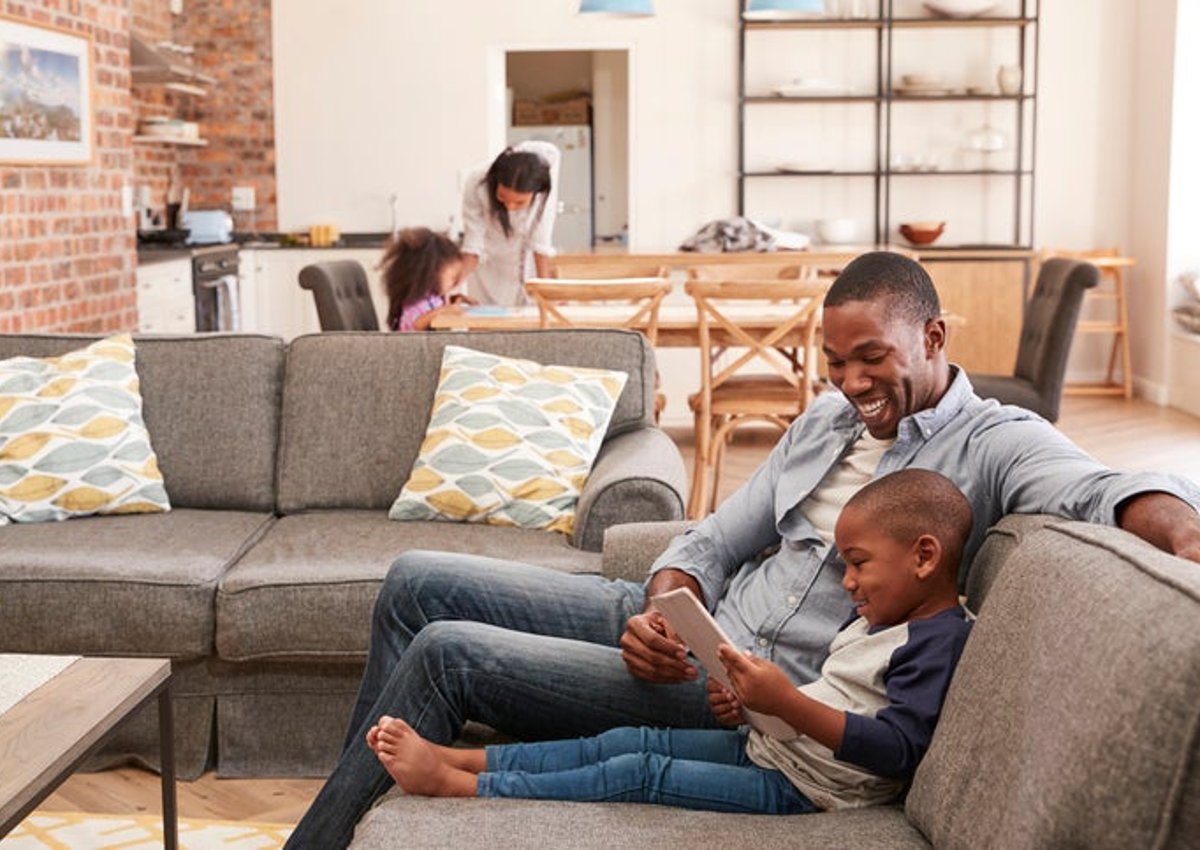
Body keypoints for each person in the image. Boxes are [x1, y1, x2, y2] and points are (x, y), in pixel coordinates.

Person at [285, 251, 1200, 849]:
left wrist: (1188, 535)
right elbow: (718, 536)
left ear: (933, 336)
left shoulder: (990, 442)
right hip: (678, 628)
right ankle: (365, 808)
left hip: (743, 690)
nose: (851, 384)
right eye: (836, 364)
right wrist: (665, 593)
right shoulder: (825, 422)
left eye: (870, 359)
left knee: (448, 652)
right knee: (413, 581)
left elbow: (1101, 490)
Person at [366, 469, 974, 814]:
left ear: (924, 556)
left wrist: (787, 703)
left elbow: (897, 747)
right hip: (774, 748)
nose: (846, 582)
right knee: (627, 740)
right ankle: (464, 757)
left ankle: (466, 786)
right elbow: (841, 701)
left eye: (858, 564)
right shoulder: (878, 620)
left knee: (641, 770)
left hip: (804, 789)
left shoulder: (936, 641)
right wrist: (755, 707)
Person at [459, 140, 560, 307]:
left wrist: (546, 292)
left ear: (536, 193)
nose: (510, 207)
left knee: (527, 320)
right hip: (488, 265)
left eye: (519, 203)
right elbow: (473, 243)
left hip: (525, 264)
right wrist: (452, 286)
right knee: (486, 321)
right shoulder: (477, 181)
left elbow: (540, 239)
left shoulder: (545, 175)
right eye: (502, 198)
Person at [380, 227, 471, 332]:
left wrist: (454, 300)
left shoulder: (432, 297)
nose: (454, 284)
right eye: (452, 278)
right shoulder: (415, 303)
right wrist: (444, 310)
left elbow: (436, 308)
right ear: (431, 274)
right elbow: (417, 324)